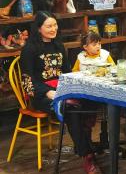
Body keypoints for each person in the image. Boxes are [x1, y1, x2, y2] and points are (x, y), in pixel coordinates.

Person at [20, 11, 101, 174]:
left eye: (55, 25)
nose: (53, 29)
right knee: (71, 109)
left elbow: (67, 72)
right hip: (41, 94)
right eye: (48, 26)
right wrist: (48, 92)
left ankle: (86, 146)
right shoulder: (29, 49)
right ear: (38, 28)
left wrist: (73, 87)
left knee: (90, 101)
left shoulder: (59, 46)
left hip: (62, 89)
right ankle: (87, 155)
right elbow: (27, 79)